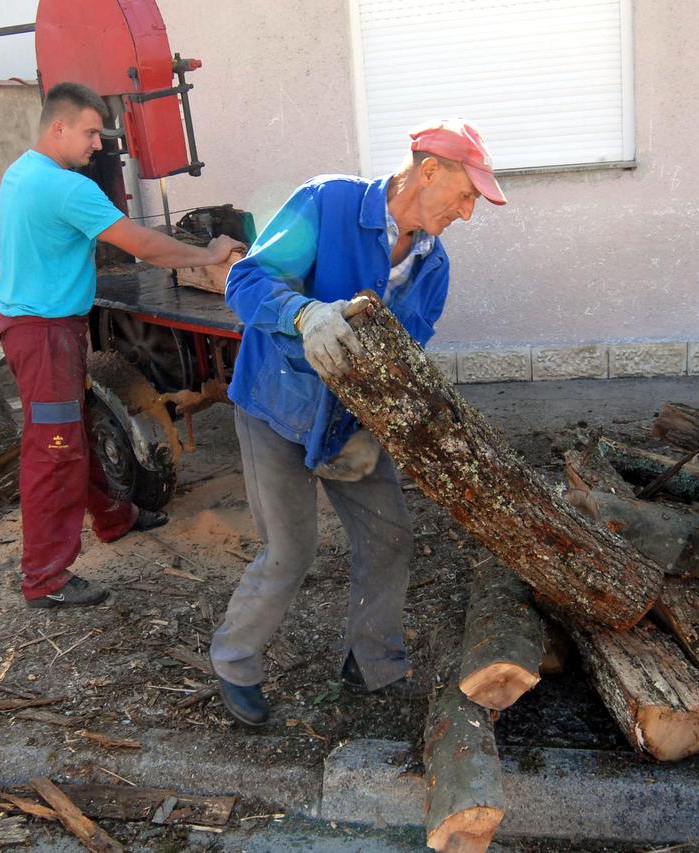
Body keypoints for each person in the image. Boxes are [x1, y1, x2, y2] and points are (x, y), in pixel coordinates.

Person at [209, 120, 506, 725]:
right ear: (429, 171)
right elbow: (246, 281)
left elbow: (404, 358)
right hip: (277, 407)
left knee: (389, 535)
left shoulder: (433, 267)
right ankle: (234, 662)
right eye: (466, 195)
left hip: (351, 424)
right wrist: (304, 314)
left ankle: (372, 662)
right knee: (290, 551)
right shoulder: (330, 202)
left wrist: (392, 426)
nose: (468, 214)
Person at [0, 82, 244, 609]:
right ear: (57, 126)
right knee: (54, 450)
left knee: (72, 431)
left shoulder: (22, 172)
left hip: (34, 326)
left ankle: (113, 518)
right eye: (89, 132)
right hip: (45, 334)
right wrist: (212, 251)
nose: (97, 145)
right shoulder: (66, 188)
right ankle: (44, 578)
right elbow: (144, 245)